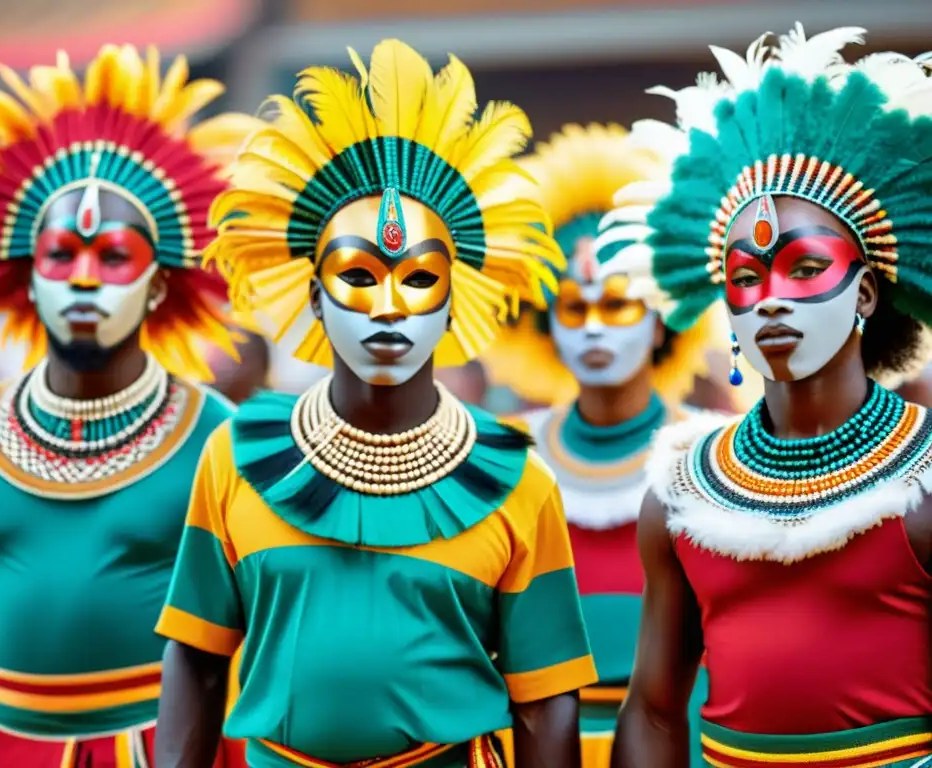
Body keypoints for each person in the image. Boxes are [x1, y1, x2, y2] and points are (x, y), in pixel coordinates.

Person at [153, 39, 597, 768]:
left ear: (455, 305)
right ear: (315, 300)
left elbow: (547, 700)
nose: (390, 307)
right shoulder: (235, 455)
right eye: (359, 275)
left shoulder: (519, 479)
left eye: (419, 279)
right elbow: (195, 660)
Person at [0, 44, 254, 767]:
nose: (85, 279)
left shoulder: (216, 437)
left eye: (115, 256)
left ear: (159, 285)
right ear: (29, 279)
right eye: (61, 255)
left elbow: (250, 651)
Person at [605, 26, 932, 767]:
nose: (771, 301)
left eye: (804, 266)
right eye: (747, 278)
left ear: (868, 292)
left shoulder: (926, 477)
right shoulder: (682, 493)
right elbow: (654, 713)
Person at [482, 124, 721, 767]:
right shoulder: (504, 453)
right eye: (570, 306)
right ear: (541, 322)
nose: (592, 328)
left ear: (662, 313)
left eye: (615, 304)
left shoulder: (713, 456)